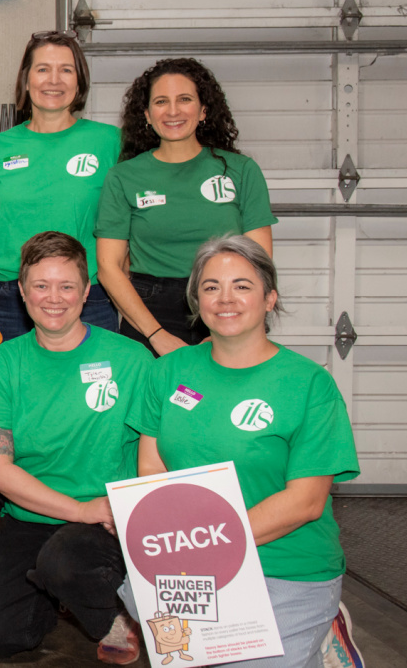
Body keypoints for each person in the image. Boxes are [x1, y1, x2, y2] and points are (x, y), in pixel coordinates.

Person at [129, 235, 359, 668]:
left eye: (242, 285)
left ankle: (322, 627)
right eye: (211, 287)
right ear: (196, 300)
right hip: (189, 566)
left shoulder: (309, 384)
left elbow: (306, 502)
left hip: (285, 567)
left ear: (270, 298)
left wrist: (203, 544)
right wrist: (175, 550)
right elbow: (152, 467)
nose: (225, 299)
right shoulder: (168, 371)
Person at [0, 231, 150, 663]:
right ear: (22, 291)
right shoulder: (0, 364)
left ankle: (108, 611)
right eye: (41, 286)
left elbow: (155, 453)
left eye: (67, 286)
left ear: (86, 292)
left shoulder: (132, 360)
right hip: (34, 513)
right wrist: (78, 509)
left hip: (107, 519)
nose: (54, 298)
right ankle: (59, 591)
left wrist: (126, 512)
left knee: (65, 564)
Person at [97, 58, 277, 356]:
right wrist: (156, 335)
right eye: (161, 101)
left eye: (184, 99)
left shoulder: (242, 170)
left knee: (220, 400)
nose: (173, 111)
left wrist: (227, 325)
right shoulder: (123, 176)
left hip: (226, 302)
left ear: (204, 110)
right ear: (146, 114)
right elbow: (108, 267)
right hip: (150, 312)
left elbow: (260, 262)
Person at [0, 31, 121, 344]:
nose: (54, 80)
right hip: (7, 299)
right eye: (42, 69)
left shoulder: (110, 142)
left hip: (87, 297)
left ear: (79, 82)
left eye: (66, 69)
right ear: (26, 80)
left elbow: (125, 230)